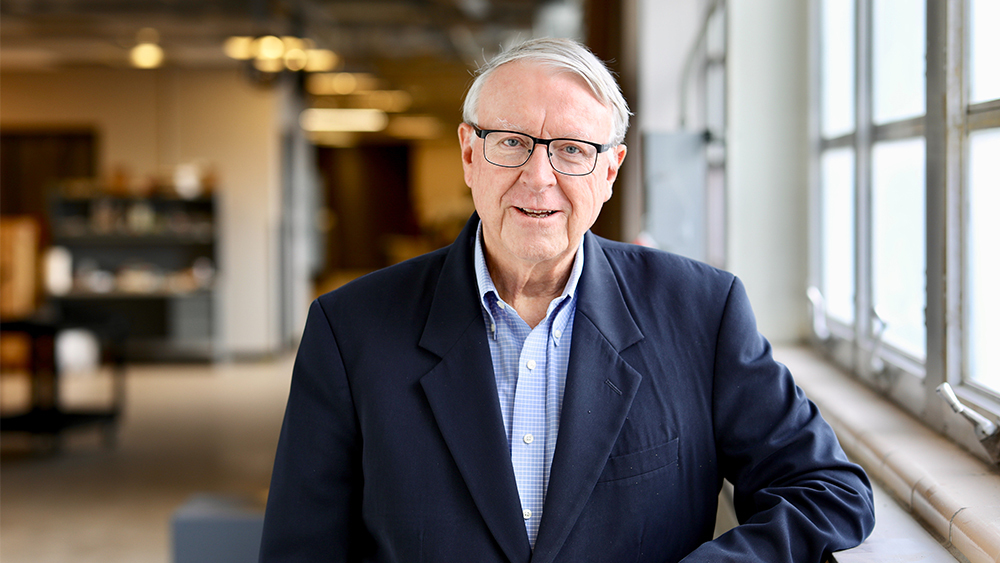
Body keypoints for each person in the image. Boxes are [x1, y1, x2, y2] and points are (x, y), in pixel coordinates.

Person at [259, 37, 875, 563]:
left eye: (572, 150)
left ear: (609, 173)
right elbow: (300, 550)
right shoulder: (350, 329)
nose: (538, 177)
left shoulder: (702, 312)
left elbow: (828, 488)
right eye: (510, 143)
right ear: (470, 153)